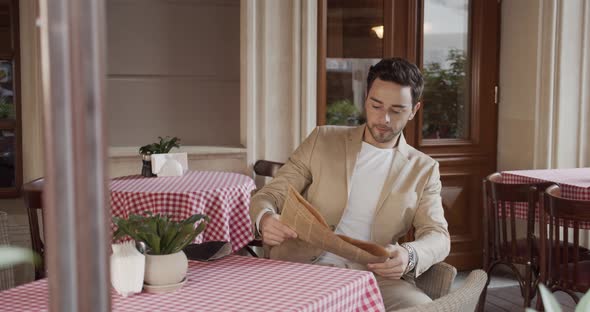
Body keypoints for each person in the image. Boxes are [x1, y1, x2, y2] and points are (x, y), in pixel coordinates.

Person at [249, 57, 450, 311]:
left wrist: (410, 255)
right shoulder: (322, 140)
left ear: (414, 110)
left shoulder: (424, 169)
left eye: (397, 110)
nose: (384, 119)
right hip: (302, 267)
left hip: (374, 277)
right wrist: (265, 218)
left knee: (427, 309)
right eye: (376, 105)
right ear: (366, 98)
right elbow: (270, 195)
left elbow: (438, 236)